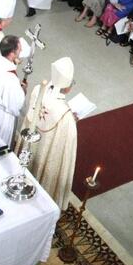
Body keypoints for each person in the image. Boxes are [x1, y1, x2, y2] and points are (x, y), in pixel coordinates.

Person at [16, 58, 77, 211]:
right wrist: (73, 122)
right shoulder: (65, 115)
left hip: (32, 141)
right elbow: (68, 145)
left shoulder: (38, 89)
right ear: (68, 88)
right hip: (47, 151)